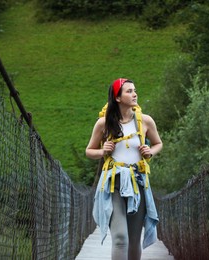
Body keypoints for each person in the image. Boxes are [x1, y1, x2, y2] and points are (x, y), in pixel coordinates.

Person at [86, 78, 163, 260]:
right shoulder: (103, 124)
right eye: (128, 91)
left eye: (134, 90)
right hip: (113, 184)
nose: (134, 94)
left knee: (134, 239)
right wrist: (102, 151)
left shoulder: (145, 121)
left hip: (137, 183)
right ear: (118, 97)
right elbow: (89, 151)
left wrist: (149, 151)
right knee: (121, 238)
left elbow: (158, 143)